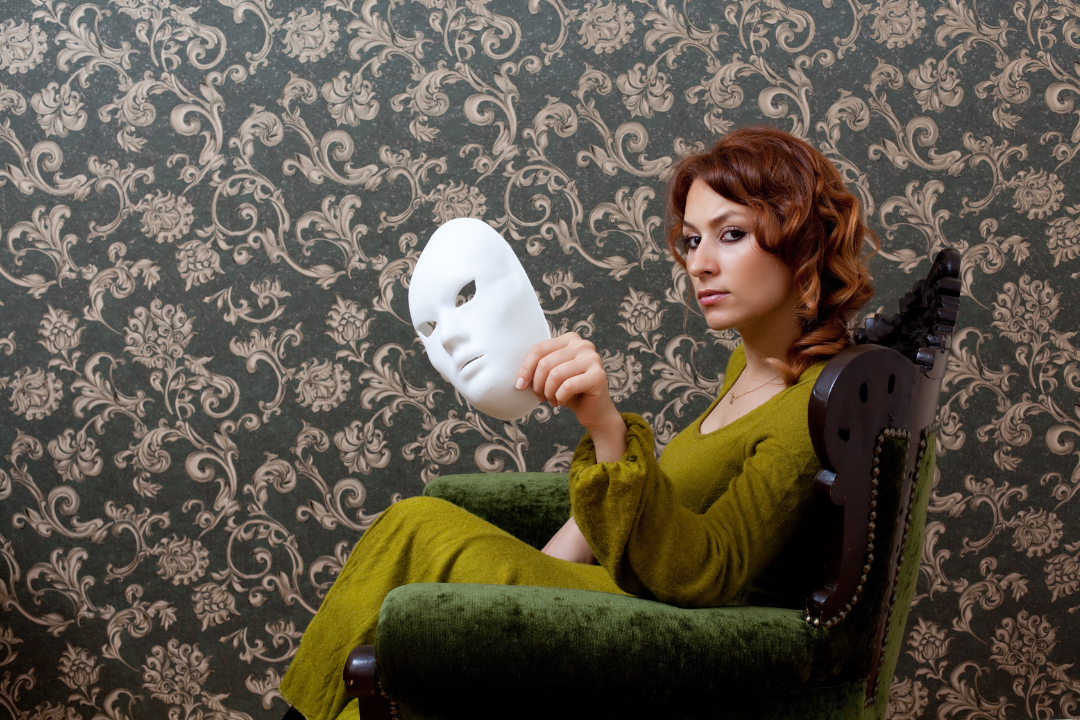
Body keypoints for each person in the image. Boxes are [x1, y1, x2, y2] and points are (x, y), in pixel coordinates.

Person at [277, 125, 879, 720]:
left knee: (416, 527)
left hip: (675, 633)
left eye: (732, 234)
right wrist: (545, 570)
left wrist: (607, 429)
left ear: (803, 241)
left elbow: (708, 573)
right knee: (418, 539)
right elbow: (665, 504)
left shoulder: (809, 411)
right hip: (624, 592)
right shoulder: (745, 371)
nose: (700, 264)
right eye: (693, 240)